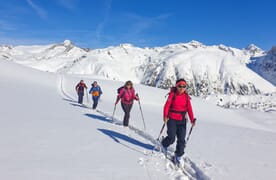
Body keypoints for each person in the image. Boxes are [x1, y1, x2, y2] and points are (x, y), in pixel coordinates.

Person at [161, 78, 196, 166]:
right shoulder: (172, 95)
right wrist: (165, 116)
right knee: (172, 137)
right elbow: (167, 106)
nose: (182, 88)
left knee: (181, 139)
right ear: (176, 86)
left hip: (182, 120)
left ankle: (178, 155)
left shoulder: (186, 97)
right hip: (171, 119)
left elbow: (189, 109)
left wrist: (192, 120)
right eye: (180, 86)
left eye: (184, 86)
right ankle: (164, 144)